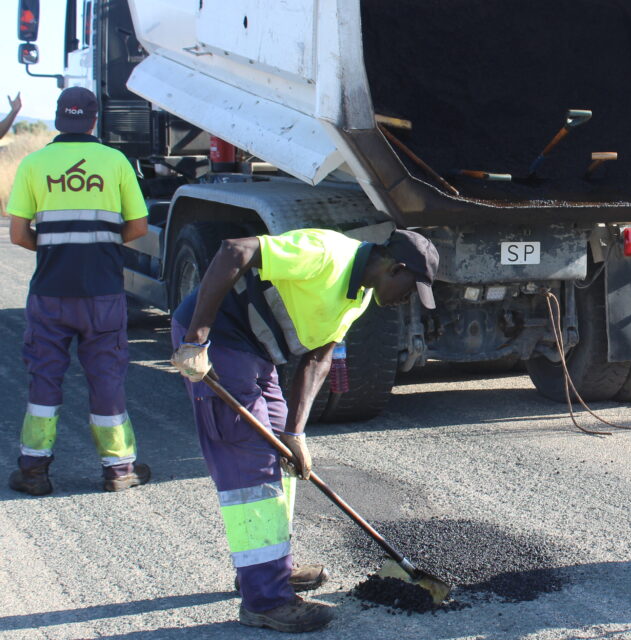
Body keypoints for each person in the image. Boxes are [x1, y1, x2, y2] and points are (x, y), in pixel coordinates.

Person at [170, 227, 437, 633]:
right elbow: (233, 249)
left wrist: (296, 434)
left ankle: (269, 568)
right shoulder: (326, 253)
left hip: (257, 352)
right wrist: (196, 338)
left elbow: (318, 360)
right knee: (252, 464)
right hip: (219, 342)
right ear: (394, 267)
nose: (406, 301)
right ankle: (265, 600)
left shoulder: (358, 296)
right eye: (409, 289)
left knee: (281, 456)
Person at [6, 87, 150, 495]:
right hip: (103, 293)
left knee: (44, 380)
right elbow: (138, 227)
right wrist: (100, 244)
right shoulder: (115, 161)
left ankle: (34, 472)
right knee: (106, 378)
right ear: (93, 119)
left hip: (50, 292)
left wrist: (55, 246)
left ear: (57, 118)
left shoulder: (34, 164)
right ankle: (120, 470)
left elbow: (18, 234)